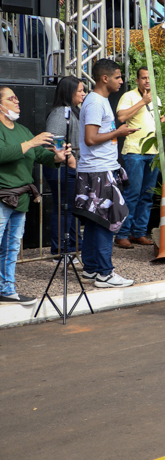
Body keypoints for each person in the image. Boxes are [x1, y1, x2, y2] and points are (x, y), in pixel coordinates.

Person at [0, 86, 73, 304]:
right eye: (11, 99)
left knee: (12, 247)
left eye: (17, 98)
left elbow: (39, 154)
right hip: (2, 197)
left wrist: (58, 157)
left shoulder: (22, 130)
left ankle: (6, 289)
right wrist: (31, 142)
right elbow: (3, 154)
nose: (17, 102)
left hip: (20, 198)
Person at [74, 59, 137, 288]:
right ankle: (104, 274)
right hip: (98, 171)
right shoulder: (95, 103)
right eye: (118, 77)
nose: (121, 81)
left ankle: (91, 269)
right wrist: (117, 133)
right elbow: (90, 140)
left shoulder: (99, 101)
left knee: (94, 221)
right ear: (105, 78)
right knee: (105, 221)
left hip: (100, 169)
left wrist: (116, 132)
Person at [114, 66, 160, 248]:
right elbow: (121, 117)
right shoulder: (129, 96)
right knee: (132, 194)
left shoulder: (156, 97)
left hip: (153, 152)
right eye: (143, 78)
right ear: (137, 81)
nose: (147, 81)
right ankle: (122, 233)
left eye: (149, 78)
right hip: (135, 151)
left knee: (148, 195)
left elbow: (159, 119)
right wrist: (143, 102)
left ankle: (138, 232)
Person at [44, 77, 85, 260]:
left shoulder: (73, 111)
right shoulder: (60, 112)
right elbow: (55, 140)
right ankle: (60, 251)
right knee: (63, 209)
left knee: (70, 208)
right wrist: (71, 162)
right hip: (60, 167)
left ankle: (74, 247)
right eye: (80, 90)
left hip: (67, 167)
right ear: (69, 92)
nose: (83, 94)